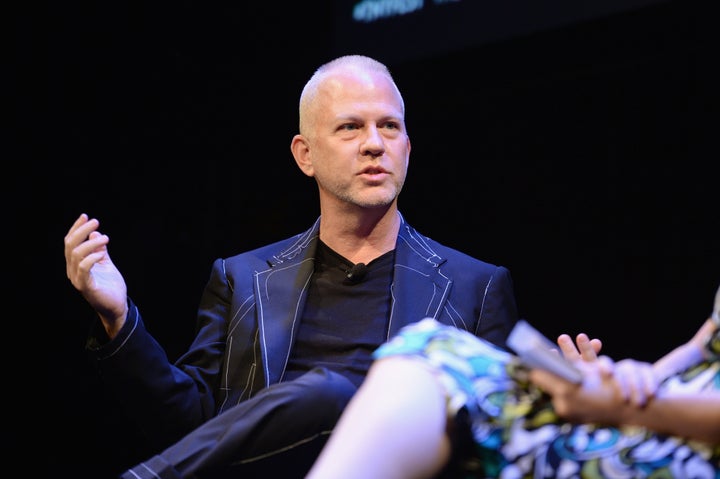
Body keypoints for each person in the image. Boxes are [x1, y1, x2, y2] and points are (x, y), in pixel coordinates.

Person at [63, 54, 520, 479]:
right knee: (325, 393)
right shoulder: (240, 279)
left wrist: (570, 405)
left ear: (408, 147)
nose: (375, 145)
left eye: (390, 127)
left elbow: (496, 443)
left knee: (333, 394)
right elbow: (194, 432)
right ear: (305, 155)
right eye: (350, 128)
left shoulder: (475, 286)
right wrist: (118, 320)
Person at [305, 285, 720, 478]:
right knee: (428, 351)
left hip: (691, 441)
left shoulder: (479, 279)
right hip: (660, 406)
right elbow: (704, 344)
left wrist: (622, 407)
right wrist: (633, 380)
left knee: (433, 350)